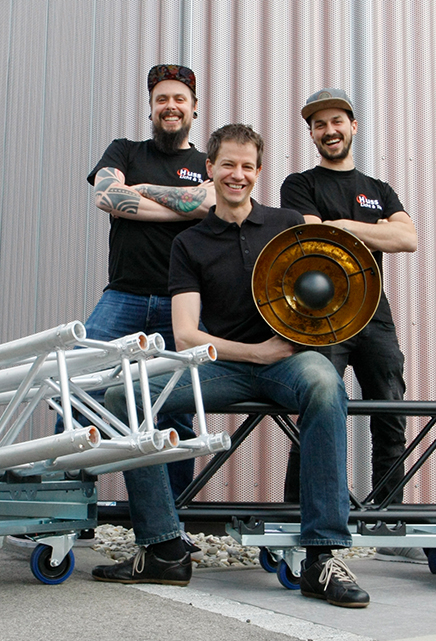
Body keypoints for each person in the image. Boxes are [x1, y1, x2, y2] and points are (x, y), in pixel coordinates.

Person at [93, 124, 369, 609]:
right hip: (224, 364)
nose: (236, 175)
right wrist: (255, 353)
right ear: (209, 169)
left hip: (289, 363)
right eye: (227, 165)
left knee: (326, 384)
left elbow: (326, 290)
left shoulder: (286, 224)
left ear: (258, 172)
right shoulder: (190, 243)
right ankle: (162, 548)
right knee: (123, 395)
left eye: (246, 166)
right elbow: (186, 335)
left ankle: (322, 557)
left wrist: (292, 343)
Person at [62, 64, 215, 500]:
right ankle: (66, 505)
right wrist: (182, 207)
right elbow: (105, 195)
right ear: (150, 108)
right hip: (123, 296)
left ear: (194, 108)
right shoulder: (124, 151)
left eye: (179, 99)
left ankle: (172, 514)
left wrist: (140, 192)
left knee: (175, 406)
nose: (170, 106)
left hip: (181, 304)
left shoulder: (205, 162)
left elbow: (213, 203)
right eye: (161, 99)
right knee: (79, 385)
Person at [279, 89, 418, 523]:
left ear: (353, 126)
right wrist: (371, 230)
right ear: (312, 134)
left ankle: (388, 518)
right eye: (319, 124)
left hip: (375, 315)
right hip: (322, 318)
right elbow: (314, 237)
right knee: (317, 410)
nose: (329, 130)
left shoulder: (379, 189)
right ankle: (298, 519)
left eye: (336, 121)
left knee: (390, 413)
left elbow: (407, 238)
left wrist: (339, 224)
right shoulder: (299, 185)